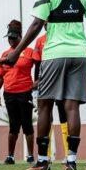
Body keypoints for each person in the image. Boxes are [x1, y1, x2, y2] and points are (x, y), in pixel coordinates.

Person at [1, 0, 86, 170]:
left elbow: (35, 24)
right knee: (72, 107)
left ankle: (42, 160)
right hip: (79, 54)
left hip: (54, 54)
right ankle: (70, 160)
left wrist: (16, 52)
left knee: (44, 105)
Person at [0, 20, 35, 165]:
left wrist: (37, 82)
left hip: (24, 92)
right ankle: (10, 156)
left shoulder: (29, 52)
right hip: (9, 92)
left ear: (20, 37)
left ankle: (30, 156)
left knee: (27, 124)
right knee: (13, 125)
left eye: (14, 38)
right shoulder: (5, 54)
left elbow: (39, 67)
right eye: (9, 38)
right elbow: (0, 76)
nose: (11, 41)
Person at [32, 29, 68, 162]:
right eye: (45, 24)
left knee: (64, 116)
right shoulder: (40, 40)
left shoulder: (63, 35)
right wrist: (36, 87)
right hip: (46, 81)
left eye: (49, 23)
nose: (47, 26)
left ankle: (67, 154)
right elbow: (37, 64)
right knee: (46, 116)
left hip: (62, 81)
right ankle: (45, 155)